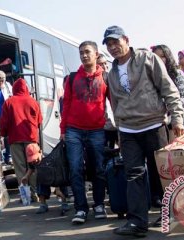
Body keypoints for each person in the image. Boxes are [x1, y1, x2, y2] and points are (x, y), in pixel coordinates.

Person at [102, 26, 184, 237]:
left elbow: (168, 88)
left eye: (115, 42)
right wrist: (120, 130)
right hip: (128, 130)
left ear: (126, 39)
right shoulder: (111, 73)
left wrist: (177, 117)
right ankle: (137, 223)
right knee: (133, 174)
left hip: (154, 125)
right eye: (109, 45)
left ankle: (173, 214)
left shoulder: (148, 59)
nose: (112, 47)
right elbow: (116, 103)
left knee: (163, 174)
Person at [60, 40, 108, 224]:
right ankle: (80, 208)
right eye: (81, 52)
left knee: (98, 169)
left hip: (97, 130)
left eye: (88, 52)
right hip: (74, 131)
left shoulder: (105, 77)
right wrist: (63, 129)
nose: (84, 55)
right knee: (75, 169)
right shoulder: (72, 78)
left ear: (96, 54)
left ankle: (98, 205)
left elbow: (114, 103)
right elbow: (67, 106)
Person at [0, 78, 42, 203]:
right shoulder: (33, 101)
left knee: (20, 168)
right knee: (33, 167)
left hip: (15, 139)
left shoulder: (9, 102)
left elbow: (4, 122)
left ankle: (25, 196)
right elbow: (39, 120)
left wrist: (3, 134)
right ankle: (35, 193)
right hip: (31, 140)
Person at [152, 45, 184, 131]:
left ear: (168, 57)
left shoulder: (177, 73)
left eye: (162, 56)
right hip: (161, 122)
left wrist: (170, 107)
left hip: (178, 121)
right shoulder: (152, 77)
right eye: (156, 57)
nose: (159, 60)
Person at [0, 70, 13, 164]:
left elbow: (12, 98)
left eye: (3, 80)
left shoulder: (8, 86)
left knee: (6, 136)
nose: (1, 82)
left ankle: (8, 156)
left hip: (5, 116)